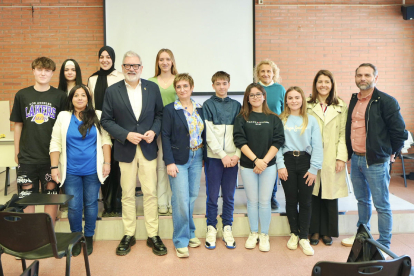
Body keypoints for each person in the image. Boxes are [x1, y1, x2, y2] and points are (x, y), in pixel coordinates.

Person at [101, 50, 167, 256]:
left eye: (135, 65)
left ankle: (152, 234)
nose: (131, 69)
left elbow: (160, 115)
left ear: (141, 68)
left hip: (148, 148)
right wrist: (126, 135)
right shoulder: (112, 91)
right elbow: (106, 120)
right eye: (128, 65)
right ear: (122, 68)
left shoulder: (152, 88)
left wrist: (153, 131)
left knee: (150, 193)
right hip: (125, 148)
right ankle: (128, 234)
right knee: (127, 194)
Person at [341, 63, 407, 249]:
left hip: (376, 162)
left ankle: (384, 243)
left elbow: (399, 133)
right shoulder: (354, 100)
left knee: (382, 204)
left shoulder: (386, 101)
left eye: (367, 75)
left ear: (375, 78)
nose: (363, 78)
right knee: (362, 200)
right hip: (356, 159)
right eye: (359, 75)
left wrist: (391, 152)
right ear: (355, 78)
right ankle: (363, 236)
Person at [50, 84, 112, 256]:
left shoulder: (98, 115)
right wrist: (54, 167)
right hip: (71, 171)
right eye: (76, 95)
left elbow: (106, 141)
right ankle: (76, 237)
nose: (79, 98)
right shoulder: (63, 116)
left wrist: (107, 163)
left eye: (83, 95)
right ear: (71, 98)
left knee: (91, 204)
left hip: (93, 169)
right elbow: (55, 142)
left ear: (88, 98)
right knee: (75, 207)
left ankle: (89, 237)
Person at [10, 57, 67, 223]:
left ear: (52, 73)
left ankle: (48, 234)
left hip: (51, 156)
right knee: (27, 196)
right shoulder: (22, 95)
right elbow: (18, 125)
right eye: (39, 69)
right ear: (33, 71)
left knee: (51, 194)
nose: (43, 73)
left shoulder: (60, 96)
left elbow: (64, 127)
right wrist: (16, 152)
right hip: (27, 156)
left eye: (47, 70)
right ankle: (32, 232)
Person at [233, 83, 285, 252]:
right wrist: (256, 160)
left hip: (268, 166)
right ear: (247, 98)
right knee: (252, 201)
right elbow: (239, 140)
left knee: (264, 202)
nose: (255, 97)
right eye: (251, 95)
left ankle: (264, 234)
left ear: (264, 96)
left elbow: (278, 141)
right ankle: (253, 232)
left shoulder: (274, 118)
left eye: (258, 94)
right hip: (248, 165)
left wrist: (263, 162)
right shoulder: (242, 118)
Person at [162, 73, 205, 258]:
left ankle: (190, 233)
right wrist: (169, 162)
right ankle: (180, 240)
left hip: (198, 155)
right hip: (178, 159)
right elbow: (164, 136)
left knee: (192, 196)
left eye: (185, 86)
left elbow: (204, 134)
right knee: (180, 199)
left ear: (192, 87)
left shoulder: (200, 108)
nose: (182, 90)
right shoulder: (170, 109)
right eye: (178, 87)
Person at [276, 86, 323, 256]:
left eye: (297, 97)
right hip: (287, 161)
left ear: (302, 99)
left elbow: (317, 146)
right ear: (286, 101)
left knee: (305, 201)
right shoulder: (281, 120)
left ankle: (304, 237)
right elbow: (277, 145)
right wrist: (280, 165)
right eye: (290, 98)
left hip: (305, 162)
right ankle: (294, 234)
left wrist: (313, 169)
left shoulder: (310, 120)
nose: (294, 101)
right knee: (290, 199)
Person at [307, 70, 348, 246]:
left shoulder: (341, 106)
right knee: (313, 194)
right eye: (320, 82)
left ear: (332, 85)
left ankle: (327, 232)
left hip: (332, 156)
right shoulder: (307, 105)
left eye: (327, 82)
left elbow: (343, 134)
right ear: (315, 84)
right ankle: (314, 231)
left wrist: (341, 158)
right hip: (311, 155)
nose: (323, 85)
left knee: (330, 195)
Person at [203, 71, 241, 249]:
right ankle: (211, 227)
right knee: (212, 196)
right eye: (218, 84)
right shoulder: (208, 105)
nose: (221, 87)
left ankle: (227, 226)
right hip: (214, 158)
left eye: (224, 83)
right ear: (213, 86)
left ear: (229, 84)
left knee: (229, 195)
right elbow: (209, 135)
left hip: (232, 159)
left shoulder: (237, 105)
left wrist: (236, 155)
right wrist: (222, 155)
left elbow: (242, 133)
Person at [88, 46, 124, 217]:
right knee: (103, 165)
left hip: (117, 126)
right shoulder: (92, 79)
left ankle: (117, 203)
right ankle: (107, 203)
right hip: (99, 127)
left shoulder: (120, 76)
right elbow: (91, 105)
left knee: (117, 166)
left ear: (113, 59)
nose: (104, 60)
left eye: (108, 57)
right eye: (101, 56)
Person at [148, 48, 178, 215]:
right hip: (158, 128)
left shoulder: (179, 80)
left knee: (174, 166)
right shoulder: (150, 81)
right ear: (157, 62)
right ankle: (162, 201)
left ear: (172, 61)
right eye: (161, 59)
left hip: (176, 130)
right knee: (160, 166)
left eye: (168, 59)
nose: (165, 62)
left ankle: (174, 200)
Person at [254, 59, 286, 209]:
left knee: (271, 163)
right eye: (262, 71)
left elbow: (285, 111)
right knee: (257, 161)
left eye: (269, 71)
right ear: (258, 74)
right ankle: (257, 197)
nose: (266, 74)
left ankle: (271, 196)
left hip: (274, 133)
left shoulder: (280, 89)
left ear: (274, 73)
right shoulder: (254, 89)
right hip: (256, 132)